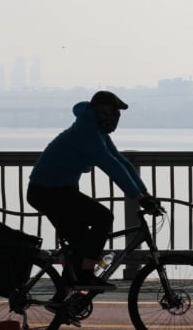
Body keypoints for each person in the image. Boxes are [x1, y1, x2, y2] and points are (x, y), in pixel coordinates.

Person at [27, 90, 161, 291]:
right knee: (103, 217)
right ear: (99, 112)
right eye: (111, 113)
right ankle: (86, 276)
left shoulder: (96, 129)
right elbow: (110, 165)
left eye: (117, 114)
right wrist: (138, 197)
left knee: (79, 246)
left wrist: (145, 192)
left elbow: (120, 160)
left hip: (57, 190)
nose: (114, 118)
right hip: (48, 191)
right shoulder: (87, 131)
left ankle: (64, 299)